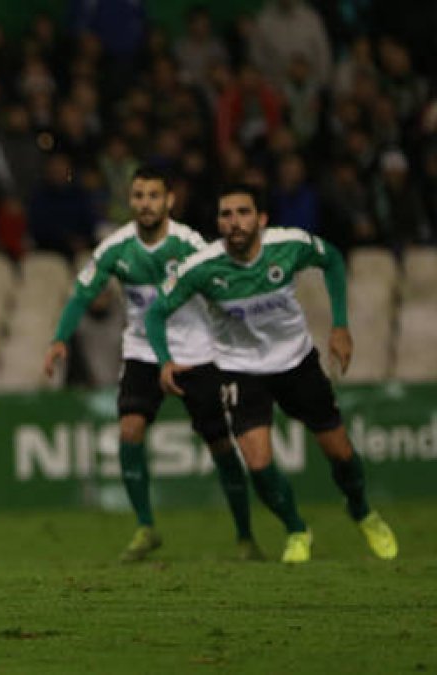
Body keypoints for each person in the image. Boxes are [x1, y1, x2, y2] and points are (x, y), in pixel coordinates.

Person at [144, 184, 399, 563]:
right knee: (259, 464)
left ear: (261, 219)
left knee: (340, 452)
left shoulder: (289, 245)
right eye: (226, 215)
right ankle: (296, 529)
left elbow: (332, 260)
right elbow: (155, 312)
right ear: (218, 222)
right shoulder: (200, 268)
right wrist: (164, 360)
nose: (234, 222)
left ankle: (361, 510)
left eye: (243, 213)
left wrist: (341, 326)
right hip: (239, 370)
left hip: (296, 363)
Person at [44, 166, 259, 563]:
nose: (145, 204)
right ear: (131, 201)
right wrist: (60, 338)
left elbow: (223, 288)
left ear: (169, 201)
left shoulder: (189, 244)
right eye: (139, 196)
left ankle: (245, 535)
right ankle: (146, 527)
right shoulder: (115, 248)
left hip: (195, 354)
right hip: (143, 352)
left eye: (153, 196)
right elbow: (81, 294)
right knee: (130, 431)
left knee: (220, 444)